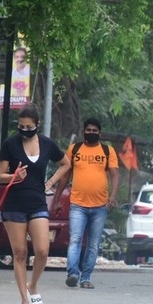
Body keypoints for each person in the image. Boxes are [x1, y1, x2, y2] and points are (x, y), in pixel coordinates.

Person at [0, 104, 71, 304]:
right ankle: (24, 301)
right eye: (21, 126)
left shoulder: (47, 144)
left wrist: (51, 183)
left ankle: (33, 285)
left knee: (42, 250)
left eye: (28, 126)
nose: (24, 130)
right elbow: (0, 175)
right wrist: (13, 177)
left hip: (38, 202)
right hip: (14, 204)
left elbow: (66, 164)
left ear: (37, 125)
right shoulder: (10, 144)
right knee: (19, 253)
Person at [52, 118, 119, 289]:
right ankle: (73, 274)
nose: (91, 133)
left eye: (94, 130)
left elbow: (115, 175)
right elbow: (65, 175)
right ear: (83, 131)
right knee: (75, 240)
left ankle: (86, 278)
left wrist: (113, 196)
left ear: (100, 133)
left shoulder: (107, 151)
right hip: (78, 205)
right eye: (88, 130)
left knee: (93, 244)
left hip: (100, 207)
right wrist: (57, 199)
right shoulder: (74, 150)